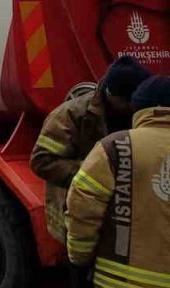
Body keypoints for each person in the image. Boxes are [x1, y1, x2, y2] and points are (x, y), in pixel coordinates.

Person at [31, 55, 151, 244]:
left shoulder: (140, 110)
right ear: (114, 96)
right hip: (82, 213)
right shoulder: (70, 115)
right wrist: (95, 173)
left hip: (127, 214)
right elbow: (42, 161)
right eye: (132, 102)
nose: (136, 107)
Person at [66, 75, 170, 287]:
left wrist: (79, 256)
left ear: (138, 107)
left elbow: (83, 206)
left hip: (118, 281)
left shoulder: (115, 147)